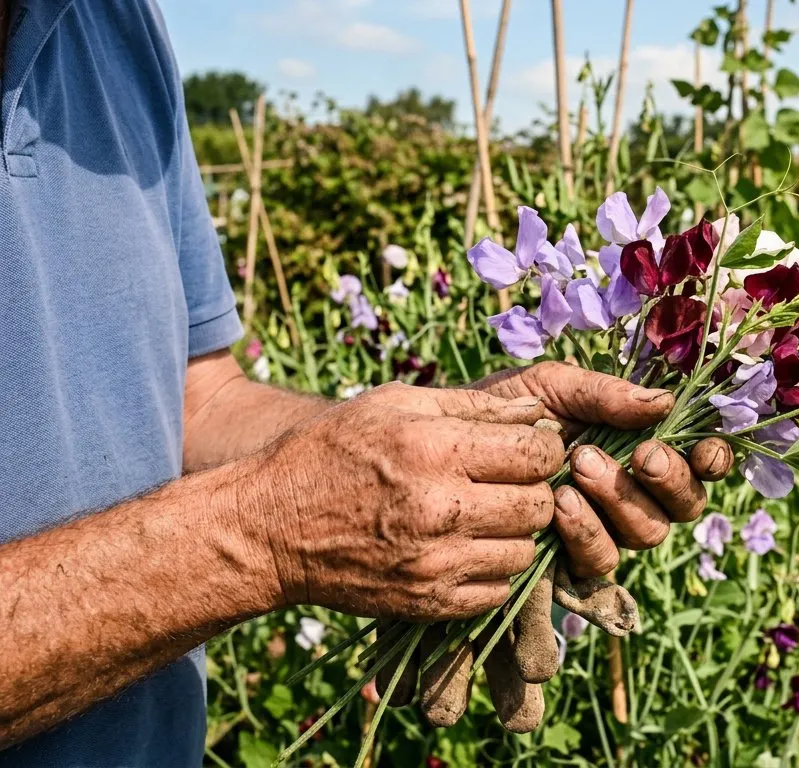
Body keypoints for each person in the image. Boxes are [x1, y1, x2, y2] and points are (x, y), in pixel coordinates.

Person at [0, 1, 731, 764]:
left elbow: (195, 401)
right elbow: (264, 515)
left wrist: (454, 448)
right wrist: (267, 533)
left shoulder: (112, 23)